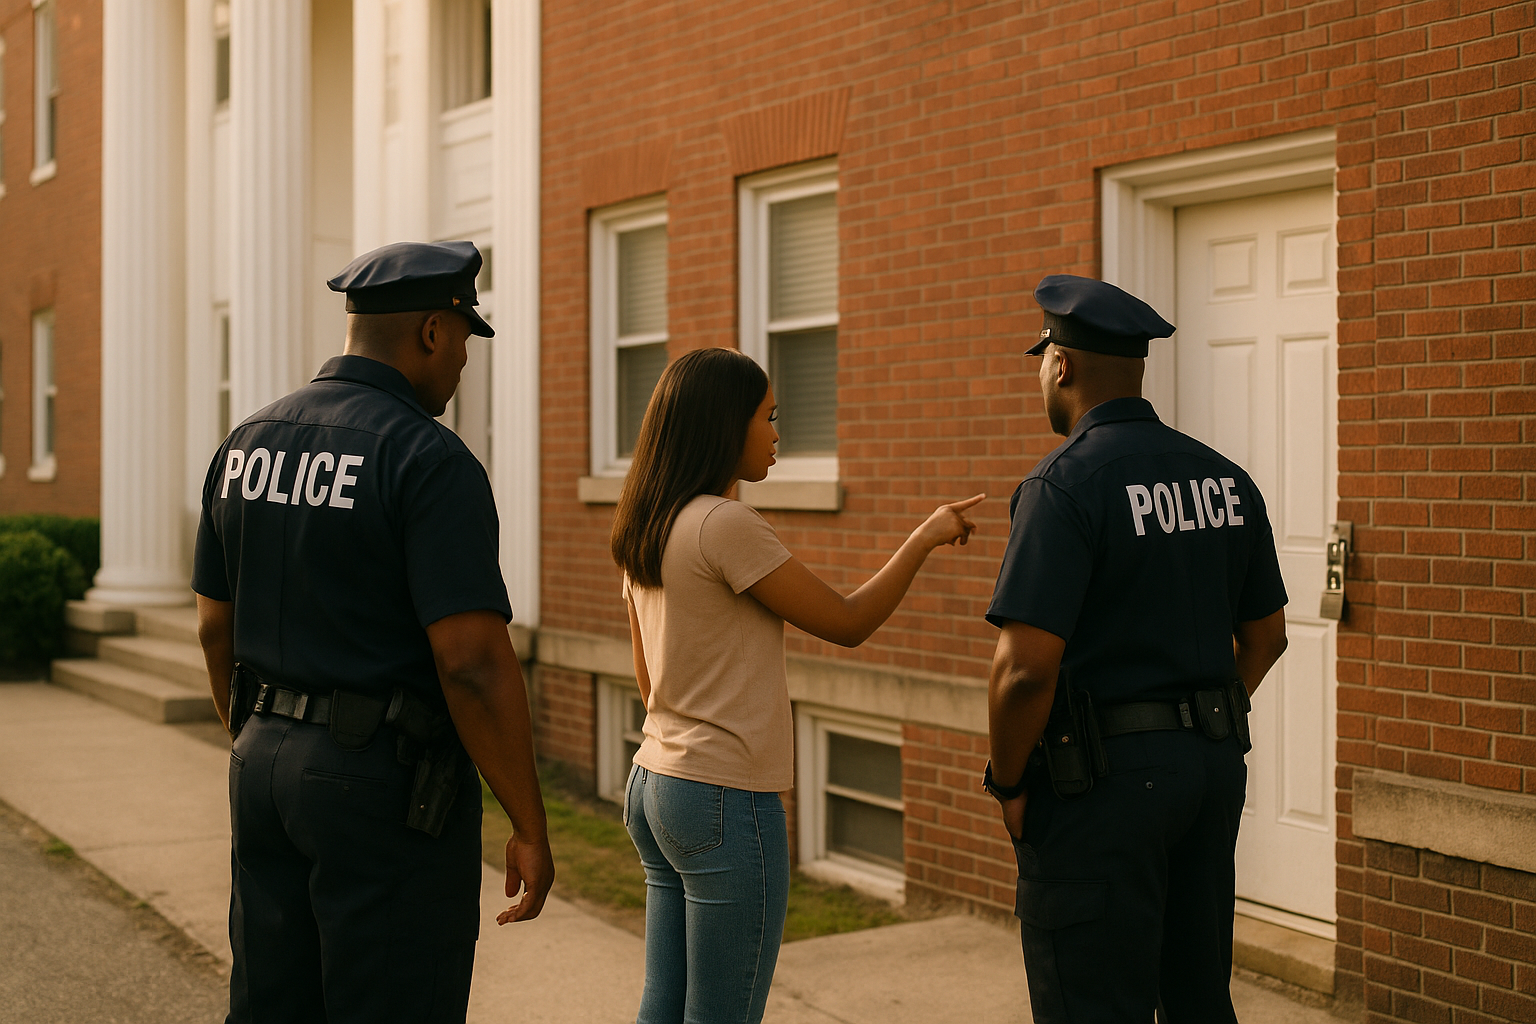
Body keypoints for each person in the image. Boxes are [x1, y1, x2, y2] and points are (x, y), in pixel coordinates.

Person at [191, 240, 555, 1024]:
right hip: (378, 791)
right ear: (431, 331)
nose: (463, 361)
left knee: (271, 1003)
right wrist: (528, 820)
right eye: (463, 338)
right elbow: (472, 664)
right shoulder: (428, 460)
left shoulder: (246, 443)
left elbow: (214, 625)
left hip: (259, 768)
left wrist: (252, 733)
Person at [609, 346, 983, 1024]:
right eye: (768, 417)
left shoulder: (648, 523)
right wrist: (924, 537)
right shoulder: (725, 525)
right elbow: (847, 622)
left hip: (654, 783)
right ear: (726, 426)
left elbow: (647, 678)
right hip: (723, 796)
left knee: (663, 1005)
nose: (778, 434)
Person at [982, 275, 1291, 1022]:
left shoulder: (1064, 487)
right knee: (1195, 995)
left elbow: (1024, 672)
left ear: (1061, 365)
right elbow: (1268, 638)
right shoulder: (1226, 479)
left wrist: (1011, 784)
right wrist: (1193, 723)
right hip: (1209, 774)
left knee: (1092, 1004)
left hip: (1098, 791)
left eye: (1042, 359)